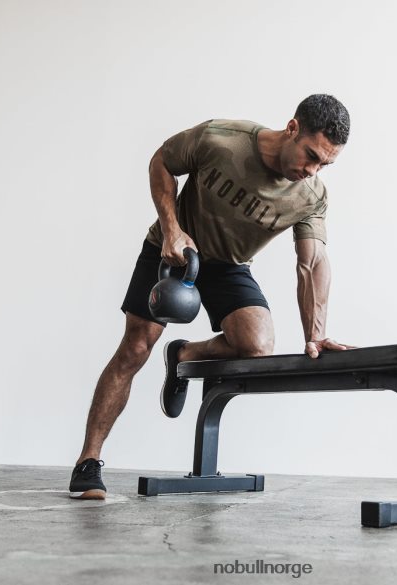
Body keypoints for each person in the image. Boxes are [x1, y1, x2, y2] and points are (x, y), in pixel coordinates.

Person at [69, 94, 353, 499]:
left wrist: (316, 334)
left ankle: (183, 354)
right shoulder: (220, 138)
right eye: (311, 156)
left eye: (324, 164)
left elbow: (312, 262)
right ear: (292, 128)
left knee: (257, 346)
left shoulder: (311, 195)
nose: (312, 170)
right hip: (173, 250)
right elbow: (162, 161)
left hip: (229, 264)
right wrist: (171, 229)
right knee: (135, 348)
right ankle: (88, 461)